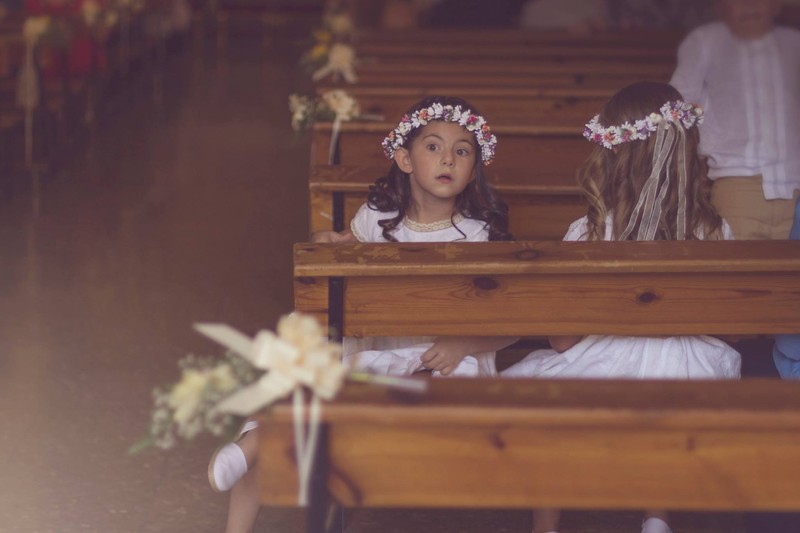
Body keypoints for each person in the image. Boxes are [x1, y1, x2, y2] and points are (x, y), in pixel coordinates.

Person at [209, 95, 517, 533]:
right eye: (433, 147)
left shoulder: (479, 233)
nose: (448, 158)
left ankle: (261, 437)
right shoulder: (378, 217)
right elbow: (341, 255)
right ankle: (255, 448)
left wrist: (463, 343)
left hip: (445, 361)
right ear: (404, 159)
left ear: (474, 167)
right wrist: (328, 245)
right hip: (378, 347)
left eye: (462, 151)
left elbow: (516, 322)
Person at [501, 81, 742, 533]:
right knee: (666, 397)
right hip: (690, 371)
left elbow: (563, 339)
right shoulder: (714, 231)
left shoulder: (588, 231)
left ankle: (545, 526)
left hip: (600, 369)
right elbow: (729, 329)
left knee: (547, 406)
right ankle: (656, 517)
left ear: (614, 157)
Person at [669, 0, 800, 242]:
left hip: (796, 188)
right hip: (738, 187)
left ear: (777, 5)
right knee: (738, 265)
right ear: (720, 6)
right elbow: (677, 107)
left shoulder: (794, 44)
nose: (750, 6)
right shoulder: (705, 42)